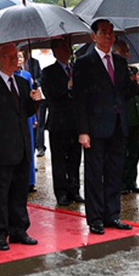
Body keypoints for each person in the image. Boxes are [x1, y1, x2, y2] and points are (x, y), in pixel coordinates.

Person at [73, 20, 139, 235]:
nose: (109, 36)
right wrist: (83, 131)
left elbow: (124, 92)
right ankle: (95, 218)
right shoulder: (84, 63)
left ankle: (113, 214)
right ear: (93, 36)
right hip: (95, 127)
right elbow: (80, 99)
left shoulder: (120, 62)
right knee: (95, 174)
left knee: (115, 172)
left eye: (111, 33)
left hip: (118, 125)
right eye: (104, 32)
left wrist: (138, 83)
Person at [0, 42, 42, 251]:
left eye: (17, 56)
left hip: (21, 146)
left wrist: (35, 101)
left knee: (19, 192)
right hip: (0, 148)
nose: (16, 60)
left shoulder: (22, 82)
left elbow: (26, 112)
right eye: (11, 57)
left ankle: (19, 229)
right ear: (0, 59)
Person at [40, 39, 83, 206]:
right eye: (62, 47)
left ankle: (74, 189)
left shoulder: (76, 69)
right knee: (59, 159)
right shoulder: (48, 71)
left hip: (76, 121)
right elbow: (50, 94)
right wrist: (67, 87)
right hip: (58, 122)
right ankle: (61, 192)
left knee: (75, 158)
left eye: (68, 46)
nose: (67, 50)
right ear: (55, 51)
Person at [112, 39, 139, 195]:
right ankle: (121, 182)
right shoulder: (114, 71)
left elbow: (138, 90)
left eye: (127, 51)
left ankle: (132, 180)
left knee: (134, 151)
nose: (127, 54)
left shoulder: (132, 69)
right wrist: (132, 81)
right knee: (123, 152)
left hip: (136, 114)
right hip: (125, 115)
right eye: (123, 51)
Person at [16, 51, 38, 191]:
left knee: (30, 147)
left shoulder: (27, 75)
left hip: (28, 117)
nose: (18, 60)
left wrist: (34, 117)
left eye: (20, 57)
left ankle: (30, 181)